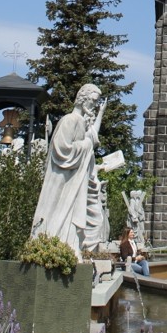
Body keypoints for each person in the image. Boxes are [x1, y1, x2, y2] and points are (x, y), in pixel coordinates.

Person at [31, 83, 106, 258]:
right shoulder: (70, 120)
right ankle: (53, 248)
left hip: (73, 181)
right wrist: (86, 145)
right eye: (93, 101)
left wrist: (101, 113)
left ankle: (66, 250)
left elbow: (92, 138)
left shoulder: (81, 122)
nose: (95, 105)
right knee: (59, 216)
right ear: (82, 99)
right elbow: (62, 149)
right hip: (62, 182)